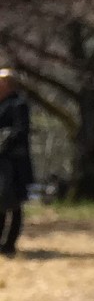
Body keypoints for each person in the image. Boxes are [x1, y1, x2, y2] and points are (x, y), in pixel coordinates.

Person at [0, 68, 32, 259]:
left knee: (13, 201)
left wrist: (3, 140)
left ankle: (10, 243)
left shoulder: (19, 104)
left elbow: (21, 130)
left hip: (13, 161)